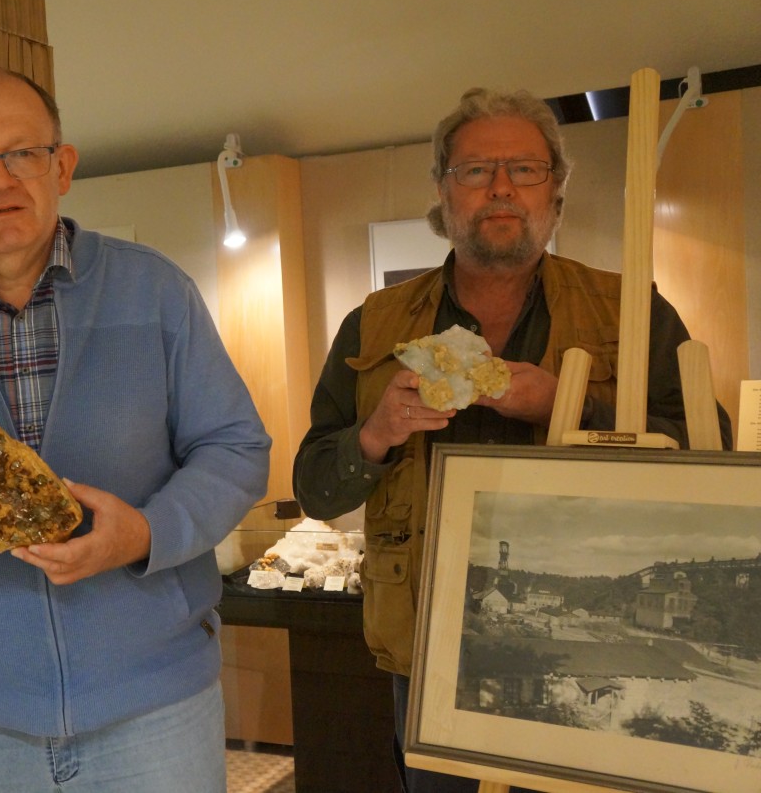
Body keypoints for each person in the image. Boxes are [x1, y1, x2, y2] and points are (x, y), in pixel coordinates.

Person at [0, 68, 270, 792]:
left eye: (21, 153)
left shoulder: (156, 292)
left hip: (154, 708)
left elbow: (236, 447)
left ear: (62, 165)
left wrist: (145, 534)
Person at [292, 87, 732, 793]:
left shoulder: (634, 312)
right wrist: (375, 435)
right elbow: (314, 487)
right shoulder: (372, 325)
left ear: (555, 190)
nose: (500, 187)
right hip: (425, 657)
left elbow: (713, 454)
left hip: (584, 660)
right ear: (443, 191)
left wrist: (570, 402)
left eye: (524, 169)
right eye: (475, 170)